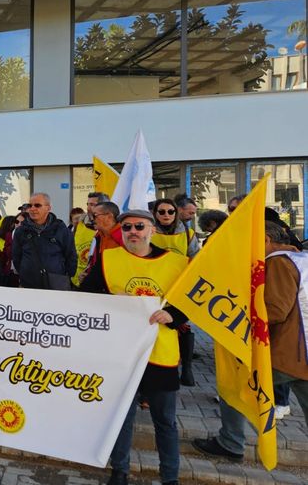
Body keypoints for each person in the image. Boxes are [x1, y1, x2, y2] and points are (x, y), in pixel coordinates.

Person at [80, 209, 189, 485]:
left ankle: (170, 477)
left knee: (165, 422)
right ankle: (120, 471)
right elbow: (86, 298)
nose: (133, 232)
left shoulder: (177, 263)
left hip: (160, 353)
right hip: (121, 354)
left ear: (151, 229)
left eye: (139, 226)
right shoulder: (109, 259)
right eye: (126, 227)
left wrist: (173, 316)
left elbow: (191, 302)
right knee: (121, 418)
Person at [193, 221, 308, 460]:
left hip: (287, 352)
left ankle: (231, 442)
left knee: (234, 386)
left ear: (265, 240)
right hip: (301, 351)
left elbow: (275, 310)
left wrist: (237, 315)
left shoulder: (278, 263)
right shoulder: (300, 259)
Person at [151, 198, 199, 386]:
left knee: (182, 326)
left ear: (176, 213)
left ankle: (186, 367)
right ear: (155, 213)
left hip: (179, 286)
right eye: (161, 212)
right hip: (154, 286)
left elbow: (195, 259)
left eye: (170, 212)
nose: (166, 215)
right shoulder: (149, 230)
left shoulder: (188, 233)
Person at [12, 192, 76, 290]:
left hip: (56, 283)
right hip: (29, 283)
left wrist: (65, 275)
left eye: (37, 205)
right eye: (30, 205)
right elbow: (16, 256)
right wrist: (25, 272)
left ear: (48, 208)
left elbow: (71, 255)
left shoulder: (61, 229)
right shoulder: (20, 231)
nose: (32, 209)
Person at [78, 201, 122, 284]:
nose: (92, 219)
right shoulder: (98, 236)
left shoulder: (124, 237)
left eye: (95, 215)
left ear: (109, 217)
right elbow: (93, 262)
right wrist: (87, 274)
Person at [72, 192, 108, 287]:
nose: (88, 208)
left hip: (100, 282)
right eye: (88, 204)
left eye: (92, 205)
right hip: (75, 281)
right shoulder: (79, 223)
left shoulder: (110, 229)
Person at [0, 215, 21, 287]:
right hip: (7, 273)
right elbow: (5, 257)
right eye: (16, 222)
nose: (19, 224)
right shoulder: (6, 238)